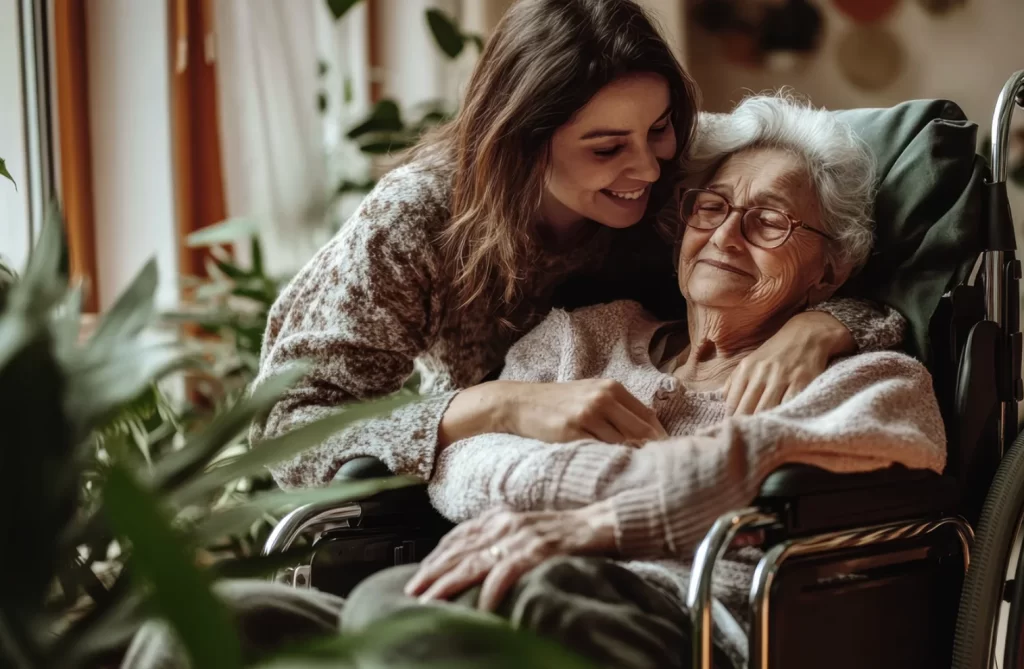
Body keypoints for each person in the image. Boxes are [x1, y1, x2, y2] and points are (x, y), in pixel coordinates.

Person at [337, 95, 948, 669]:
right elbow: (462, 458)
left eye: (768, 221)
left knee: (400, 613)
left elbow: (747, 459)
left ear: (828, 273)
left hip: (690, 622)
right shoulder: (578, 339)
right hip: (503, 580)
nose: (724, 236)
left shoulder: (871, 382)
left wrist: (583, 525)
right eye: (710, 207)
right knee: (269, 617)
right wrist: (654, 490)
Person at [248, 0, 904, 492]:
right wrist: (492, 405)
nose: (648, 170)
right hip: (484, 487)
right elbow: (284, 430)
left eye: (659, 129)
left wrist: (823, 327)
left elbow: (826, 256)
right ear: (523, 143)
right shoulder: (415, 224)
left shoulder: (689, 177)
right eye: (607, 148)